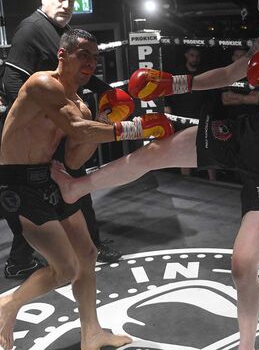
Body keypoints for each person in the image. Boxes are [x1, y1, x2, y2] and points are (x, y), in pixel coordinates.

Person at [51, 0, 259, 350]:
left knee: (242, 264)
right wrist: (175, 82)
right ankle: (75, 187)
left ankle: (247, 346)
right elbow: (232, 73)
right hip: (249, 131)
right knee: (156, 152)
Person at [0, 28, 173, 350]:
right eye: (83, 55)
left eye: (95, 57)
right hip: (19, 181)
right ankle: (6, 305)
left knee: (88, 254)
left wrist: (107, 118)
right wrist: (135, 127)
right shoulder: (42, 84)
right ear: (62, 55)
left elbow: (75, 154)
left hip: (51, 176)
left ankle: (91, 333)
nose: (91, 63)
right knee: (65, 268)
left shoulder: (80, 104)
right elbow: (77, 129)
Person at [0, 0, 120, 279]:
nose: (65, 5)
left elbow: (82, 75)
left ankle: (31, 257)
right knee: (70, 185)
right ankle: (83, 248)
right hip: (39, 137)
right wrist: (39, 127)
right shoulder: (32, 29)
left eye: (70, 0)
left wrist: (114, 95)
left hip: (55, 127)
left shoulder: (63, 33)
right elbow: (13, 81)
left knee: (65, 187)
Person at [164, 46, 216, 179]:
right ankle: (185, 180)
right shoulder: (178, 73)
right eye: (192, 55)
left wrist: (209, 113)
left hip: (201, 115)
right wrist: (167, 106)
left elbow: (211, 96)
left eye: (197, 56)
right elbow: (167, 93)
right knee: (183, 147)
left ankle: (213, 181)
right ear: (186, 55)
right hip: (181, 115)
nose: (195, 59)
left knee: (207, 148)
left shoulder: (204, 73)